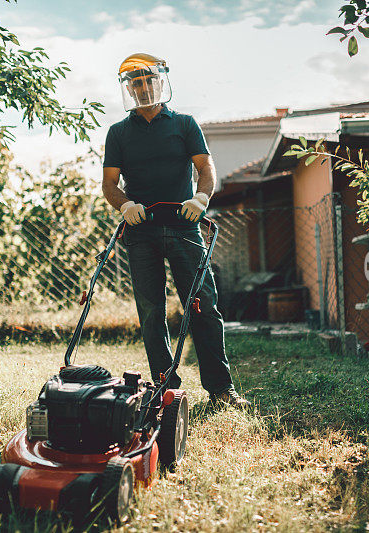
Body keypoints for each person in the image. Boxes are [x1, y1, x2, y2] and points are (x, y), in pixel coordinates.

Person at [102, 53, 248, 408]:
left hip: (184, 229)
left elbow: (206, 168)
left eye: (147, 79)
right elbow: (109, 183)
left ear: (160, 81)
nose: (142, 86)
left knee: (204, 307)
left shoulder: (184, 124)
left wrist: (201, 197)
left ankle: (220, 390)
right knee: (151, 312)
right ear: (128, 89)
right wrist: (125, 205)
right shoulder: (118, 133)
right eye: (135, 82)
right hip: (141, 233)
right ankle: (165, 388)